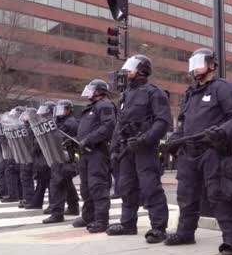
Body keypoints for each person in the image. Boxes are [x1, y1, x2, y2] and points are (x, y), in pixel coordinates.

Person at [164, 48, 232, 255]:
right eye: (192, 63)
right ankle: (185, 232)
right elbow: (184, 125)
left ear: (212, 65)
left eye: (200, 63)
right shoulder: (190, 94)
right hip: (189, 152)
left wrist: (222, 131)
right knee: (186, 194)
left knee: (221, 195)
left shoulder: (223, 88)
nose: (195, 68)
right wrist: (173, 140)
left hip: (214, 150)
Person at [108, 55, 171, 243]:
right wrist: (114, 148)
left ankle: (158, 227)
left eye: (132, 67)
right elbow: (119, 125)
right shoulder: (125, 95)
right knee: (126, 187)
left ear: (143, 69)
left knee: (150, 187)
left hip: (145, 148)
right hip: (126, 148)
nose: (127, 71)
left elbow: (162, 122)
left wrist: (145, 140)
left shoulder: (154, 92)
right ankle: (128, 224)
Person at [71, 80, 116, 233]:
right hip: (86, 152)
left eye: (92, 89)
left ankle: (101, 220)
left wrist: (89, 139)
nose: (89, 92)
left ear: (99, 91)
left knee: (98, 186)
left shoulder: (105, 105)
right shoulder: (90, 108)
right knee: (86, 187)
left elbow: (108, 127)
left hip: (98, 152)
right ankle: (88, 217)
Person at [43, 100, 80, 223]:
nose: (59, 112)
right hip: (58, 155)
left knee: (57, 184)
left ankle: (57, 214)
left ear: (69, 110)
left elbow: (77, 137)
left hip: (65, 156)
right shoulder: (57, 122)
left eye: (62, 109)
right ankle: (73, 207)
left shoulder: (71, 123)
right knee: (66, 182)